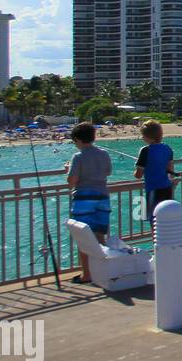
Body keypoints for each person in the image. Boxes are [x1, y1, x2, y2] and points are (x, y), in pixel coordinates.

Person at [65, 121, 112, 284]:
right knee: (100, 236)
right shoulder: (104, 154)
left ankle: (87, 274)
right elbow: (108, 172)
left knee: (83, 237)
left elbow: (72, 181)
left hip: (84, 198)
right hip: (103, 197)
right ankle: (102, 271)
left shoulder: (78, 157)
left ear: (78, 139)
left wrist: (68, 169)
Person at [133, 120, 177, 222]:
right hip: (167, 188)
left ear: (147, 137)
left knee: (154, 220)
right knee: (166, 219)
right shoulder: (167, 148)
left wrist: (136, 169)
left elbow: (138, 175)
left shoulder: (145, 150)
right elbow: (171, 170)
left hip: (154, 189)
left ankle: (156, 238)